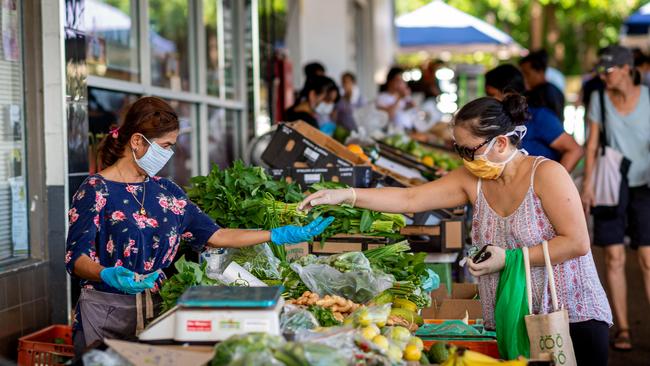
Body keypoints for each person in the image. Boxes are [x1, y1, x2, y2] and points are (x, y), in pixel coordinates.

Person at [301, 94, 612, 365]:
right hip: (515, 318)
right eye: (458, 149)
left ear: (500, 143)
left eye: (468, 150)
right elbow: (411, 197)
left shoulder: (547, 175)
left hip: (571, 315)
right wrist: (346, 195)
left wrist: (508, 258)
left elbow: (577, 242)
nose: (463, 158)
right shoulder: (471, 180)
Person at [66, 97, 333, 355]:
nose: (169, 153)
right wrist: (106, 274)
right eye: (166, 145)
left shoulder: (166, 191)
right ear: (137, 141)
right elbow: (75, 258)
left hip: (157, 309)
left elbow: (216, 235)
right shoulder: (95, 190)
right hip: (105, 312)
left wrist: (275, 234)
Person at [581, 45, 650, 352]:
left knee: (648, 259)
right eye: (601, 71)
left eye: (608, 71)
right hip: (611, 185)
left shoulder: (648, 99)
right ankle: (622, 327)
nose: (604, 76)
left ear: (626, 68)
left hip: (644, 186)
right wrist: (588, 186)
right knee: (614, 257)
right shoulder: (598, 99)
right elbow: (592, 145)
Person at [485, 64, 583, 172]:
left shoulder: (538, 116)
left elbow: (574, 150)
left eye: (492, 95)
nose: (488, 101)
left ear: (509, 94)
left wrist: (554, 183)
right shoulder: (498, 120)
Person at [519, 50, 566, 121]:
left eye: (527, 74)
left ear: (540, 72)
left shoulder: (547, 93)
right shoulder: (550, 90)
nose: (524, 78)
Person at [376, 67, 416, 131]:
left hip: (408, 130)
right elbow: (388, 116)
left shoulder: (403, 96)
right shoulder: (382, 97)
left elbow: (413, 109)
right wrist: (400, 98)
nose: (401, 84)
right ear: (390, 81)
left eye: (403, 81)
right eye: (398, 80)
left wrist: (410, 102)